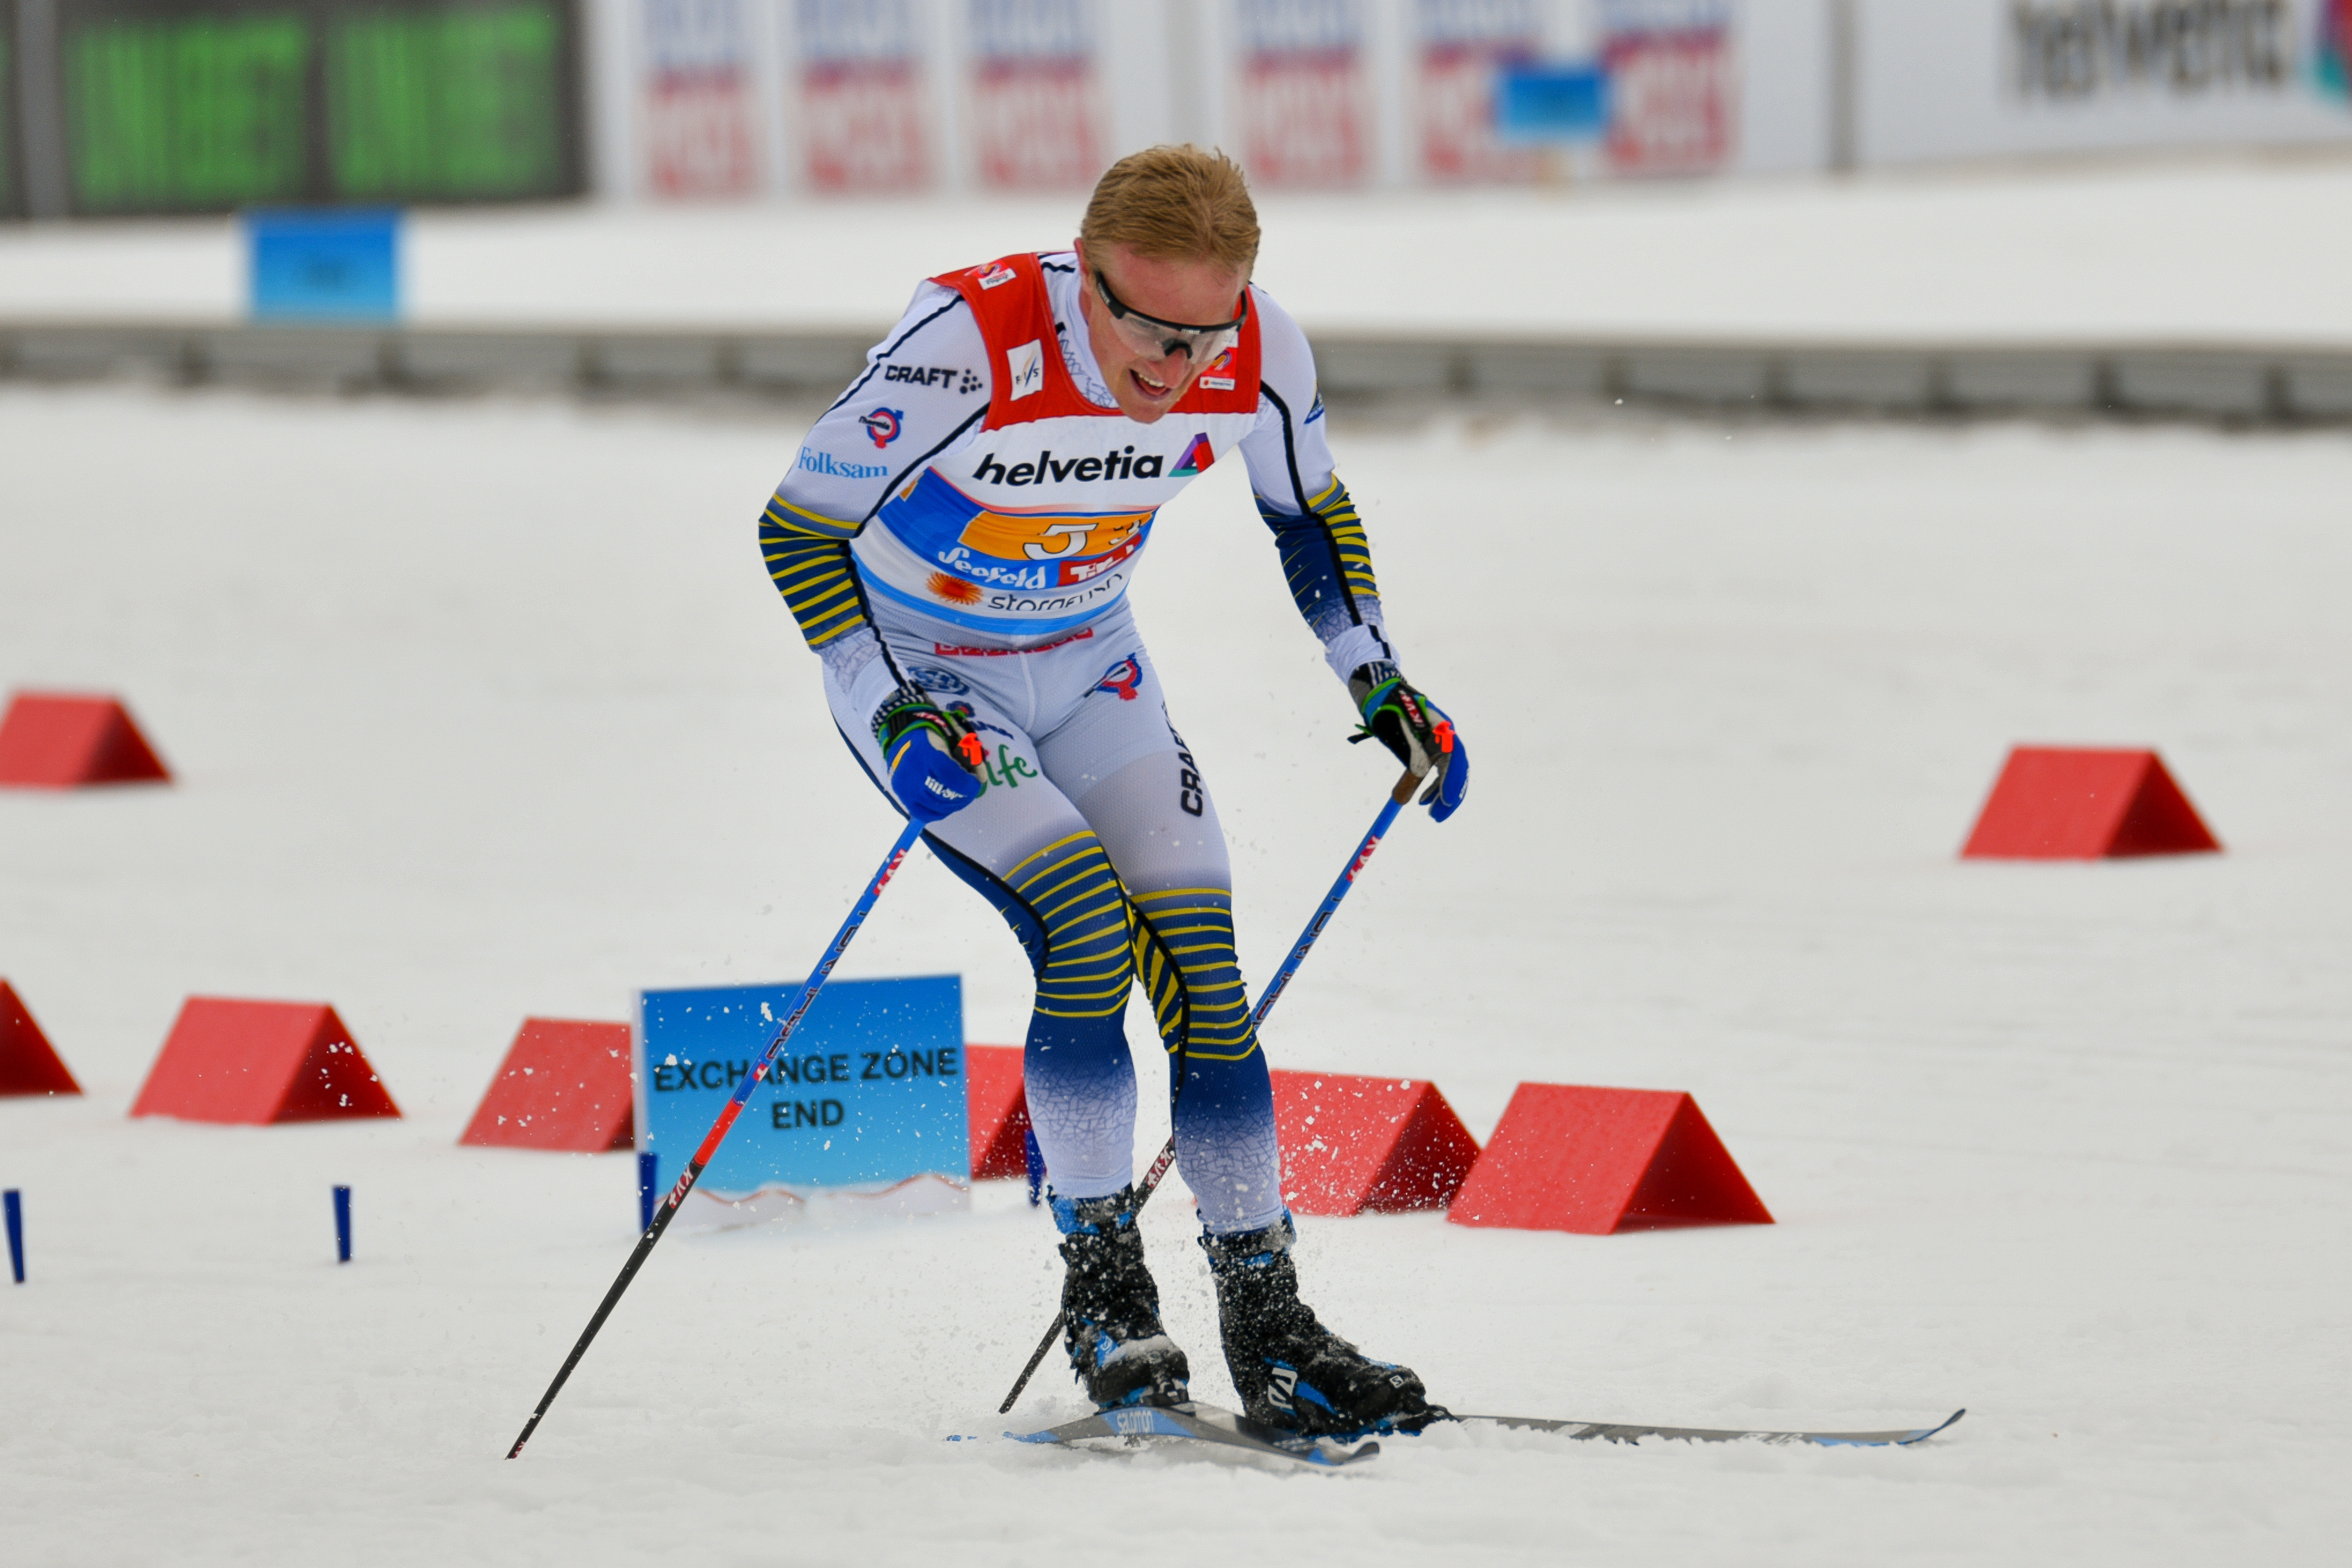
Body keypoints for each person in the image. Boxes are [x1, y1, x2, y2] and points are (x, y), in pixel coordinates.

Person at [757, 145, 1467, 1436]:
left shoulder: (1261, 350)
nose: (1172, 366)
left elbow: (1307, 514)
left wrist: (1378, 677)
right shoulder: (970, 337)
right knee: (1085, 930)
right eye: (1140, 325)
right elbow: (797, 526)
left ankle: (1270, 1326)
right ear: (1082, 274)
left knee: (1204, 967)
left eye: (1203, 332)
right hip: (928, 674)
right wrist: (891, 698)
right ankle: (1104, 1292)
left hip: (1090, 668)